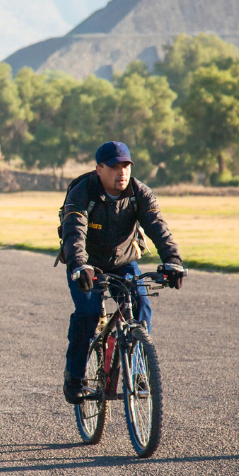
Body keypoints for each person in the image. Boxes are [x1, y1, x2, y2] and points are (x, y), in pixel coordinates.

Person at [60, 141, 185, 404]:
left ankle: (140, 372)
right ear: (98, 169)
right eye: (115, 166)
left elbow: (157, 226)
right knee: (88, 313)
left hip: (123, 261)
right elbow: (74, 232)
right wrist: (79, 265)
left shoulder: (140, 193)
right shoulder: (82, 192)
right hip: (86, 265)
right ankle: (74, 377)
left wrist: (172, 259)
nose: (122, 172)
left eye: (126, 165)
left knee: (141, 305)